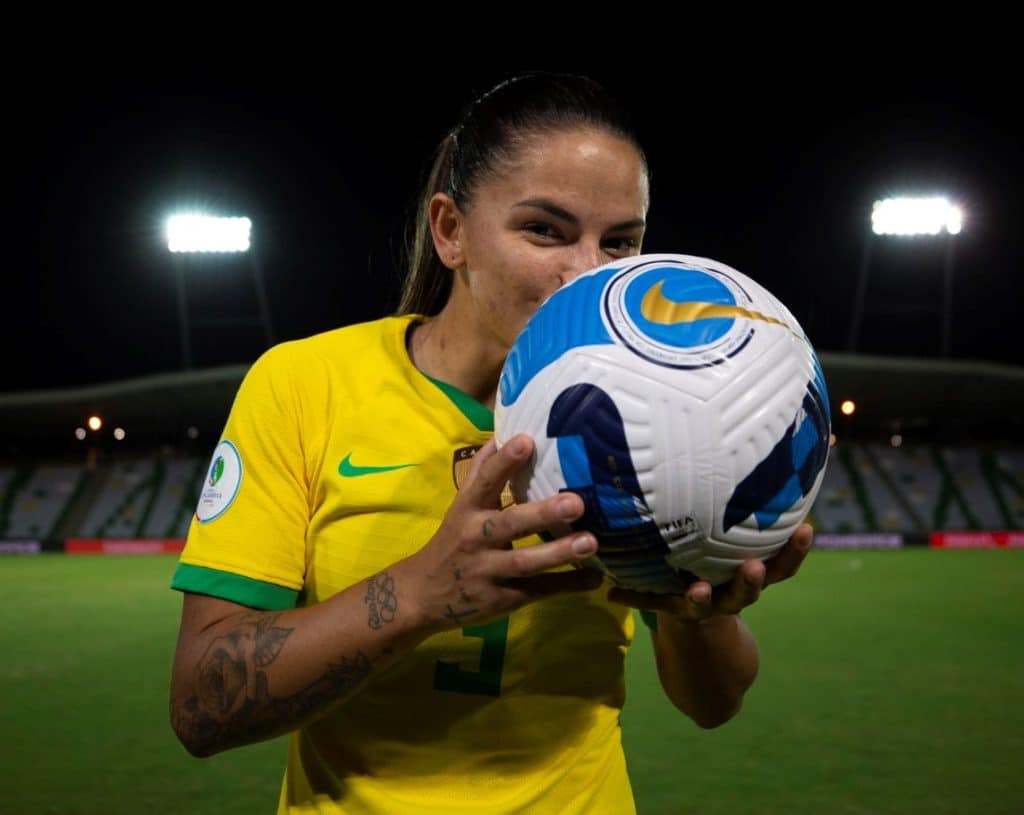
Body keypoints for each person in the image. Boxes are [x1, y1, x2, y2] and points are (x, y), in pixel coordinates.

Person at [169, 71, 813, 814]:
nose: (587, 273)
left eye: (621, 242)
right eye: (545, 229)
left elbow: (714, 702)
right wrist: (419, 593)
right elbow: (199, 702)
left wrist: (703, 607)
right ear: (451, 230)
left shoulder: (650, 414)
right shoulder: (306, 383)